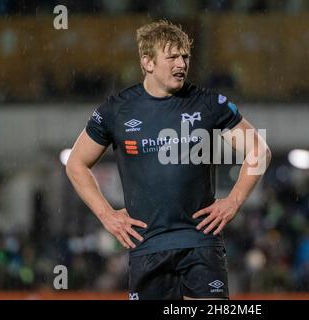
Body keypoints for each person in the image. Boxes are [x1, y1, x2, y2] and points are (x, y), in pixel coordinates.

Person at [66, 20, 271, 300]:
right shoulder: (117, 110)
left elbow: (259, 151)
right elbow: (76, 164)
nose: (181, 63)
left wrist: (233, 201)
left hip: (201, 244)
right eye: (172, 56)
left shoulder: (208, 103)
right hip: (147, 247)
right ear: (147, 62)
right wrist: (107, 215)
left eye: (185, 56)